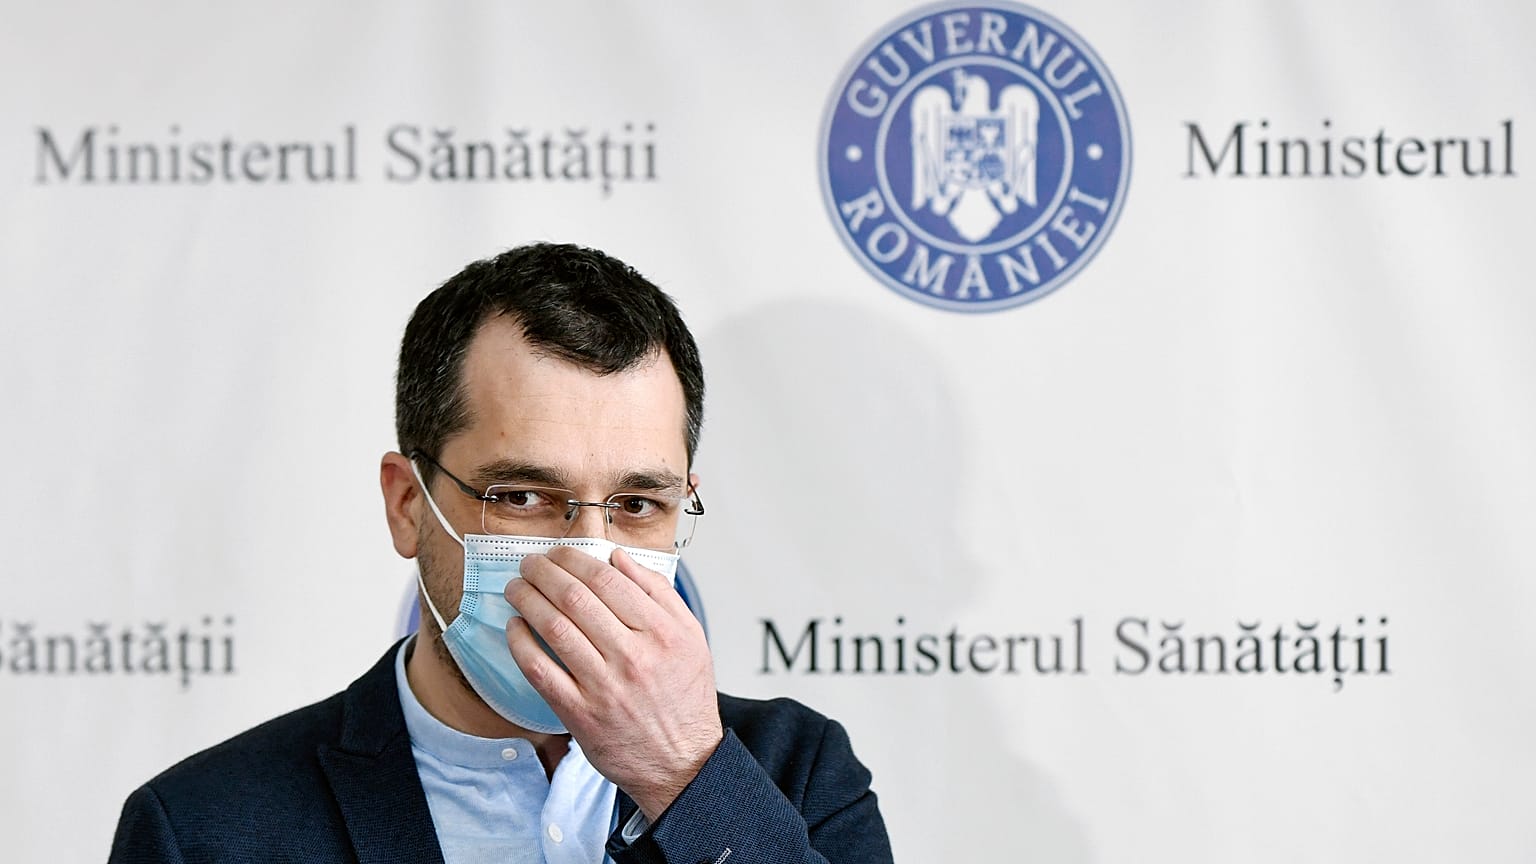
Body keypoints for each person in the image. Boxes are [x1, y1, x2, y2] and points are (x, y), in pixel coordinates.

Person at [108, 243, 894, 863]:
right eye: (522, 497)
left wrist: (683, 777)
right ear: (408, 504)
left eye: (637, 505)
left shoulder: (797, 774)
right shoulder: (206, 829)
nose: (586, 558)